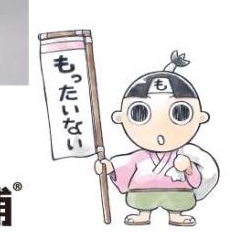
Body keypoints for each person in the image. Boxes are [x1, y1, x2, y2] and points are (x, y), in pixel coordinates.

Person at [94, 51, 219, 227]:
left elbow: (195, 180)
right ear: (121, 117)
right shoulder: (139, 157)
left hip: (178, 193)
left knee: (179, 200)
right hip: (142, 193)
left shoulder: (184, 154)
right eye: (140, 113)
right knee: (140, 200)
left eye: (180, 113)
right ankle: (143, 213)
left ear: (200, 117)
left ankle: (176, 214)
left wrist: (188, 168)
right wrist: (109, 167)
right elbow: (125, 166)